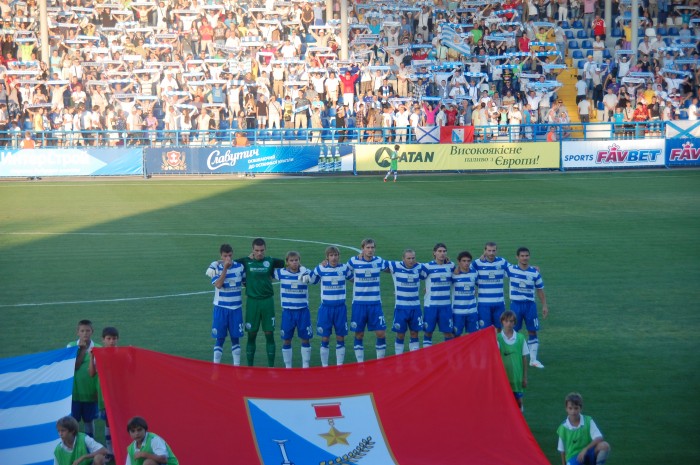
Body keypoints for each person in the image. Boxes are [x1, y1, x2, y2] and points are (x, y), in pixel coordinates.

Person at [235, 238, 285, 367]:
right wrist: (217, 262)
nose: (259, 253)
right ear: (252, 250)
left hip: (267, 302)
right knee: (251, 335)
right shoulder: (246, 261)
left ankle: (271, 367)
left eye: (262, 250)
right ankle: (250, 367)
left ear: (265, 249)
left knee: (269, 334)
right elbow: (230, 262)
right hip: (252, 303)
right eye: (257, 250)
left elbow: (290, 262)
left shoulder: (270, 261)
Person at [305, 246, 353, 366]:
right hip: (326, 309)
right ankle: (325, 366)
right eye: (331, 255)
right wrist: (312, 270)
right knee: (325, 338)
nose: (334, 258)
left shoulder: (344, 268)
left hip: (340, 309)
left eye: (336, 255)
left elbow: (354, 279)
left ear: (339, 256)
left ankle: (339, 365)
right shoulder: (321, 268)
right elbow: (312, 281)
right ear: (327, 257)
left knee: (340, 337)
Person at [506, 247, 549, 368]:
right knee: (513, 331)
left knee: (532, 330)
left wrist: (544, 305)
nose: (525, 258)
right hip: (516, 305)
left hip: (530, 305)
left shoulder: (535, 273)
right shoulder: (511, 269)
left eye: (526, 256)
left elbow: (540, 290)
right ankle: (514, 357)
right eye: (522, 256)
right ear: (517, 257)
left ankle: (533, 360)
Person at [346, 238, 388, 362]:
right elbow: (343, 270)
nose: (370, 250)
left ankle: (380, 362)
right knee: (359, 334)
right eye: (368, 247)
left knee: (381, 333)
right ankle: (360, 363)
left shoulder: (379, 261)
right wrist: (354, 280)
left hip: (375, 303)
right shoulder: (354, 261)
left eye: (372, 247)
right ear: (362, 249)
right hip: (359, 304)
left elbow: (393, 268)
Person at [205, 244, 246, 365]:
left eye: (229, 255)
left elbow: (246, 283)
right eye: (225, 256)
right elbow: (218, 285)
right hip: (221, 308)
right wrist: (225, 269)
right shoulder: (216, 268)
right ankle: (216, 367)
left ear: (232, 254)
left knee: (235, 338)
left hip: (236, 308)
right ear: (221, 256)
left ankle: (237, 367)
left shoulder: (240, 267)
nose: (228, 258)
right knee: (220, 338)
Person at [274, 251, 313, 368]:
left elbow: (315, 279)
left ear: (299, 261)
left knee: (305, 338)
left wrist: (305, 271)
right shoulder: (281, 273)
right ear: (287, 262)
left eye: (296, 260)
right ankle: (288, 366)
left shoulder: (306, 272)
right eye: (291, 260)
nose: (294, 262)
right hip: (288, 312)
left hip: (303, 311)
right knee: (286, 339)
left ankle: (305, 365)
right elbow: (268, 269)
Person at [386, 249, 425, 354]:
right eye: (408, 258)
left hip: (415, 308)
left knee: (414, 333)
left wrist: (428, 287)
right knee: (400, 334)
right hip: (401, 308)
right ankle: (399, 358)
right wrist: (362, 254)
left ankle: (414, 358)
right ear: (403, 258)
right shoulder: (395, 266)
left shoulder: (419, 267)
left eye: (413, 258)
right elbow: (379, 263)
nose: (411, 260)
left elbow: (432, 273)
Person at [67, 320, 101, 438]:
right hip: (74, 393)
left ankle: (90, 443)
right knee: (73, 422)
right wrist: (82, 350)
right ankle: (75, 443)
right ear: (77, 332)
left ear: (92, 331)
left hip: (90, 392)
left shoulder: (98, 348)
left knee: (89, 421)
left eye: (87, 330)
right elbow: (74, 366)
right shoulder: (71, 346)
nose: (85, 333)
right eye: (82, 331)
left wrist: (98, 391)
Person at [88, 327, 119, 457]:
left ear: (118, 339)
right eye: (109, 338)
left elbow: (130, 370)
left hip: (119, 395)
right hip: (104, 395)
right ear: (103, 339)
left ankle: (119, 449)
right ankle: (110, 450)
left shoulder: (121, 353)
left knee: (119, 422)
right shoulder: (99, 354)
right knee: (108, 422)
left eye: (114, 338)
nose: (111, 341)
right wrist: (92, 357)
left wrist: (133, 355)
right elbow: (91, 373)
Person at [556, 393, 611, 465]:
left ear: (580, 408)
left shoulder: (588, 420)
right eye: (570, 408)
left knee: (604, 446)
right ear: (566, 409)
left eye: (576, 408)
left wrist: (585, 449)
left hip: (588, 452)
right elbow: (562, 451)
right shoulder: (563, 428)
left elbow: (599, 437)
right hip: (573, 457)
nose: (573, 411)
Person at [420, 243, 455, 346]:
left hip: (445, 306)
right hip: (431, 306)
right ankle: (427, 355)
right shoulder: (427, 267)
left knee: (448, 333)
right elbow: (415, 277)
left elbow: (460, 275)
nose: (442, 253)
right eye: (439, 251)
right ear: (434, 253)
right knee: (428, 333)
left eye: (444, 251)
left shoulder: (451, 266)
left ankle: (449, 355)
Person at [473, 242, 509, 331]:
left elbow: (515, 270)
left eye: (493, 250)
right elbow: (464, 271)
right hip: (483, 304)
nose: (491, 253)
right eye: (489, 250)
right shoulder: (477, 263)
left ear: (497, 251)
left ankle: (497, 341)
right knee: (484, 330)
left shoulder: (502, 262)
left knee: (499, 329)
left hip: (499, 303)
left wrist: (531, 268)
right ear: (484, 251)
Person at [497, 311, 528, 410]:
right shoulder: (497, 338)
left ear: (515, 323)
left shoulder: (520, 338)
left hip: (517, 378)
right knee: (503, 403)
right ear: (502, 322)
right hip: (503, 378)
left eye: (511, 321)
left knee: (519, 402)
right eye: (506, 321)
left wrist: (524, 377)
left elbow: (524, 358)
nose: (509, 324)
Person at [451, 251, 479, 336]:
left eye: (468, 261)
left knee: (473, 336)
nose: (466, 263)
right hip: (457, 311)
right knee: (456, 336)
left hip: (472, 311)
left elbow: (480, 284)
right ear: (459, 261)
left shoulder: (474, 273)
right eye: (464, 261)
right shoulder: (453, 274)